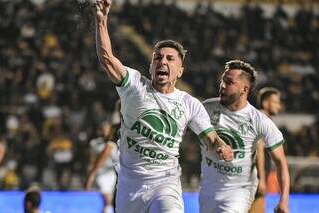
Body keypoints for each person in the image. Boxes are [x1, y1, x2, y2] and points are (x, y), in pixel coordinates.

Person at [93, 1, 233, 212]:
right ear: (151, 66)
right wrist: (101, 21)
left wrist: (221, 146)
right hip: (130, 186)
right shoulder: (135, 86)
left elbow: (211, 138)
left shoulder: (190, 104)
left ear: (180, 71)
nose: (162, 62)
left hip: (165, 184)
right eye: (157, 58)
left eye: (170, 58)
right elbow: (107, 59)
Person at [199, 60, 289, 213]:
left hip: (240, 190)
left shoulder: (259, 121)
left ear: (244, 89)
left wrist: (283, 201)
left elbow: (281, 162)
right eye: (222, 81)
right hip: (208, 189)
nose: (222, 85)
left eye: (229, 82)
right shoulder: (206, 108)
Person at [250, 87, 282, 213]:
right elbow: (259, 149)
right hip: (255, 177)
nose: (279, 106)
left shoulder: (258, 117)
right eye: (276, 102)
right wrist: (261, 179)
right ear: (265, 103)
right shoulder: (262, 118)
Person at [86, 121, 119, 213]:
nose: (106, 131)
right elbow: (92, 159)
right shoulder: (94, 143)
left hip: (109, 173)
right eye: (104, 129)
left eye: (108, 129)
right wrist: (91, 172)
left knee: (108, 198)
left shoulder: (113, 143)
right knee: (107, 198)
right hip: (99, 173)